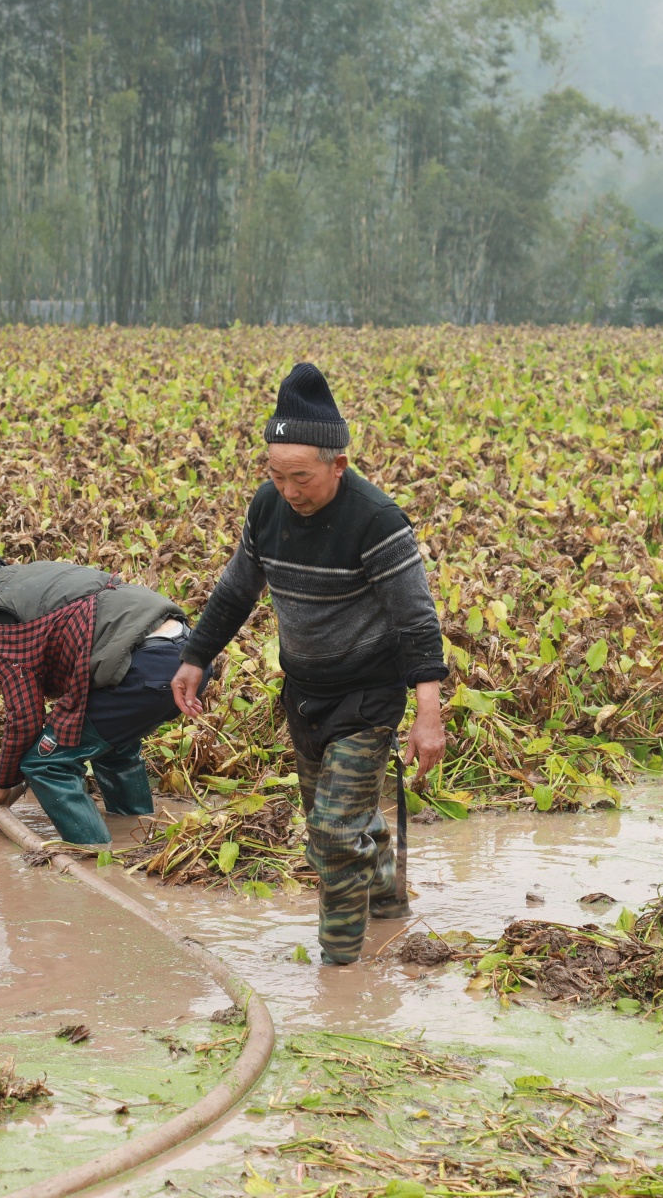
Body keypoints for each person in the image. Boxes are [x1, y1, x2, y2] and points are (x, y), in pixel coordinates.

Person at [171, 362, 447, 966]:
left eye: (301, 478)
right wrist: (196, 656)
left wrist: (429, 713)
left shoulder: (375, 521)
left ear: (338, 465)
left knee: (329, 833)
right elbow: (235, 591)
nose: (289, 491)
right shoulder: (268, 510)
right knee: (341, 830)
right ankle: (390, 910)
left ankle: (340, 973)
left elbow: (416, 620)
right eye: (276, 475)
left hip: (368, 696)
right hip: (304, 694)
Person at [0, 544, 201, 846]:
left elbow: (25, 720)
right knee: (111, 744)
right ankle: (135, 833)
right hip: (191, 657)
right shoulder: (37, 574)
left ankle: (96, 856)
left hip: (145, 670)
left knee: (45, 763)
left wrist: (0, 784)